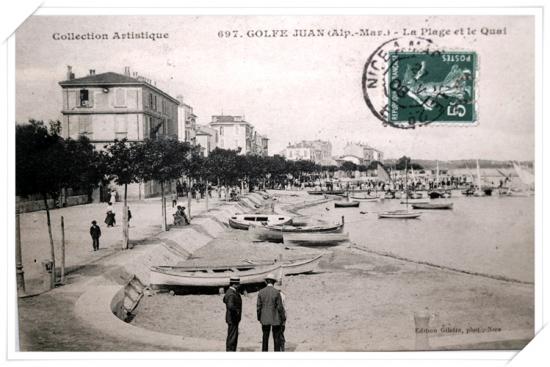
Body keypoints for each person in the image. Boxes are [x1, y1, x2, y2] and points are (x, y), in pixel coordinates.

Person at [257, 273, 286, 352]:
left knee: (265, 338)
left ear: (266, 281)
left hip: (264, 318)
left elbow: (258, 307)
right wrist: (283, 318)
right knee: (276, 338)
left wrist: (259, 317)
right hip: (275, 318)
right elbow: (280, 307)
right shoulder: (276, 292)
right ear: (273, 282)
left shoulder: (261, 292)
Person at [223, 276, 242, 352]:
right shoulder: (232, 293)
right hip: (233, 318)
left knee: (231, 337)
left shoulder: (229, 292)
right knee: (232, 338)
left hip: (231, 318)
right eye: (237, 284)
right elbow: (230, 305)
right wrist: (237, 311)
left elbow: (224, 299)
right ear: (234, 284)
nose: (238, 285)